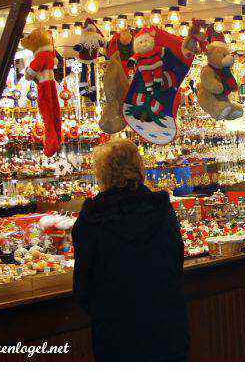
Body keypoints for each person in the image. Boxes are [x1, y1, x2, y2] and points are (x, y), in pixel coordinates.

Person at [72, 139, 189, 361]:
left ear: (102, 174)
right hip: (166, 324)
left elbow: (82, 287)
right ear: (139, 168)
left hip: (116, 330)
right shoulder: (161, 209)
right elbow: (176, 264)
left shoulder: (92, 218)